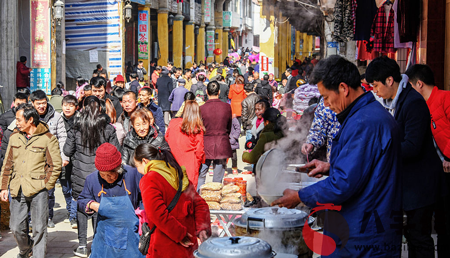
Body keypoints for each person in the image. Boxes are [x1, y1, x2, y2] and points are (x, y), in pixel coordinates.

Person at [273, 56, 402, 257]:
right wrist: (330, 167)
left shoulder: (364, 122)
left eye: (325, 97)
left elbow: (344, 184)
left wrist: (300, 196)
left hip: (363, 233)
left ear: (343, 88)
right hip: (361, 225)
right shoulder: (364, 115)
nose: (325, 105)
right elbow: (367, 168)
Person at [366, 57, 443, 257]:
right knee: (410, 235)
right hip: (407, 183)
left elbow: (412, 147)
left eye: (376, 85)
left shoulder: (413, 102)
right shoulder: (393, 101)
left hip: (420, 184)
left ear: (390, 80)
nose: (375, 90)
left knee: (419, 238)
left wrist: (379, 151)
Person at [1, 104, 62, 258]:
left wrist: (46, 185)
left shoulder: (48, 139)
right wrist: (3, 187)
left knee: (39, 228)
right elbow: (7, 163)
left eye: (19, 120)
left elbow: (55, 165)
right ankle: (26, 248)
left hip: (38, 190)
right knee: (15, 227)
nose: (17, 123)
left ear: (30, 120)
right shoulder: (14, 137)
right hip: (17, 188)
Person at [63, 96, 120, 257]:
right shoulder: (108, 128)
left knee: (82, 208)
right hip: (100, 175)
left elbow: (67, 151)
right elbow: (117, 151)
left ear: (83, 109)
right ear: (100, 109)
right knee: (98, 209)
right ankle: (97, 243)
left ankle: (82, 245)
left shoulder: (76, 127)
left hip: (80, 175)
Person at [133, 143, 211, 257]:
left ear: (145, 161)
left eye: (137, 166)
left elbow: (157, 214)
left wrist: (181, 235)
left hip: (166, 246)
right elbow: (200, 204)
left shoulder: (149, 179)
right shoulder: (178, 173)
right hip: (188, 246)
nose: (138, 170)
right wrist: (202, 228)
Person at [405, 64, 450, 257]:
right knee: (440, 221)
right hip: (436, 173)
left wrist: (449, 156)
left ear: (419, 84)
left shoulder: (445, 98)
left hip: (448, 168)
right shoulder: (420, 105)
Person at [77, 143, 144, 258]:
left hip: (131, 236)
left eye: (111, 174)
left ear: (119, 168)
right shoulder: (92, 179)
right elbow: (81, 200)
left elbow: (145, 197)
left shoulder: (133, 174)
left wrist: (142, 218)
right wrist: (93, 205)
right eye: (103, 175)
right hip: (104, 239)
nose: (107, 178)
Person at [30, 90, 68, 228]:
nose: (42, 106)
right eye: (38, 104)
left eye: (44, 103)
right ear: (32, 103)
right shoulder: (28, 116)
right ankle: (31, 218)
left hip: (50, 160)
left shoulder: (56, 116)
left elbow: (63, 137)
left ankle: (48, 216)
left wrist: (64, 157)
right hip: (32, 161)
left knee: (49, 191)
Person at [198, 82, 233, 189]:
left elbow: (199, 127)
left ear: (206, 92)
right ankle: (215, 199)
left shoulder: (201, 108)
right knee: (218, 177)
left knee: (201, 174)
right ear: (219, 92)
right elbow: (229, 126)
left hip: (206, 143)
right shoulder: (227, 107)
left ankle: (199, 197)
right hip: (221, 142)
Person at [165, 101, 205, 189]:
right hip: (190, 164)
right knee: (189, 193)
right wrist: (198, 164)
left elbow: (167, 139)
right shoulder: (197, 128)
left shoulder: (173, 123)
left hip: (173, 162)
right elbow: (199, 150)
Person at [61, 95, 79, 228]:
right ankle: (70, 210)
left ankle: (73, 216)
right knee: (65, 188)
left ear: (76, 107)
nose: (68, 108)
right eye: (65, 105)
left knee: (75, 188)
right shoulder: (57, 119)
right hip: (61, 160)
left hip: (76, 160)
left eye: (71, 105)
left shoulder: (79, 120)